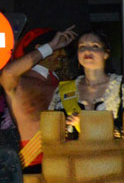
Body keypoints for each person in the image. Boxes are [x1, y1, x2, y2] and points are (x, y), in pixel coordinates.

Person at [0, 25, 77, 168]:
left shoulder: (69, 86)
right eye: (57, 49)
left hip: (68, 163)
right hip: (33, 165)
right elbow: (8, 73)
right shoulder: (21, 83)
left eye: (62, 49)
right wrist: (51, 46)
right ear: (40, 48)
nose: (62, 54)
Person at [49, 30, 124, 135]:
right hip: (74, 151)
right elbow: (53, 130)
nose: (87, 50)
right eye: (82, 47)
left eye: (94, 46)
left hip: (112, 151)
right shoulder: (62, 90)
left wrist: (88, 125)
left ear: (106, 53)